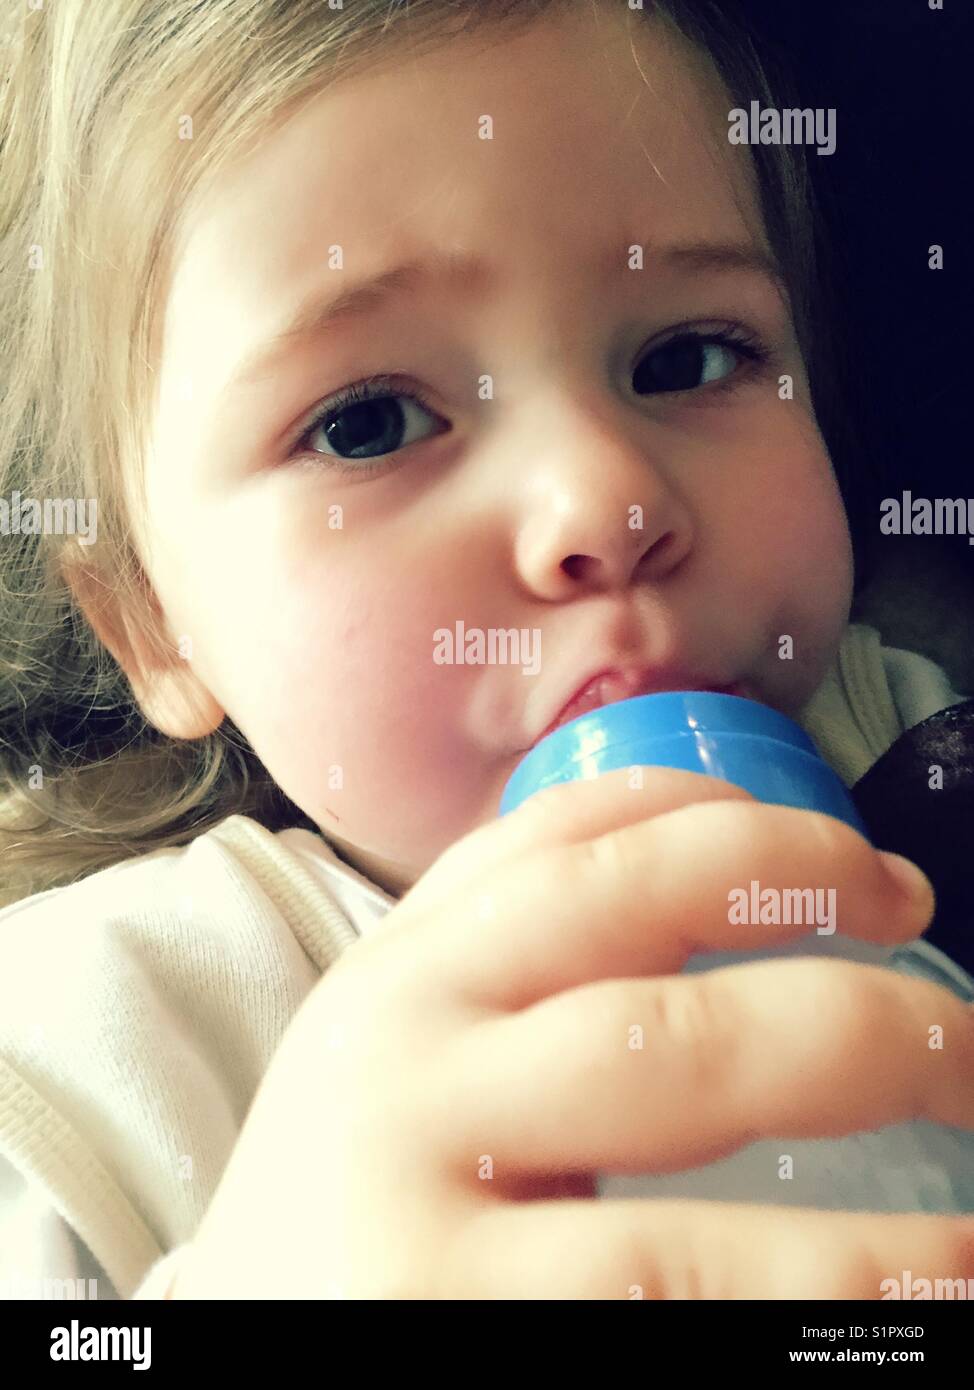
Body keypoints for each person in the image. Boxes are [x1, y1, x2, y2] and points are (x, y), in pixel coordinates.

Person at [0, 0, 971, 1300]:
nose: (604, 501)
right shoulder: (90, 1048)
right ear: (152, 624)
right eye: (368, 424)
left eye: (689, 355)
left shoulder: (913, 745)